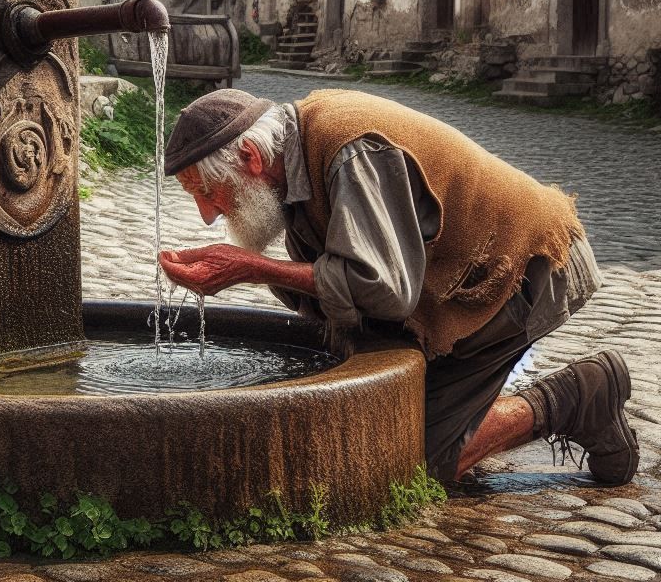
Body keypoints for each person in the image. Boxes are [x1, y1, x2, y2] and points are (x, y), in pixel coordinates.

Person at [158, 87, 638, 485]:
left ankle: (578, 395)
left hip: (517, 273)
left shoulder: (349, 151)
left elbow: (383, 289)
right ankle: (462, 406)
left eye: (205, 191)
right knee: (371, 416)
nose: (208, 214)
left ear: (250, 157)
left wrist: (254, 268)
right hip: (451, 283)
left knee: (404, 461)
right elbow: (335, 289)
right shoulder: (291, 162)